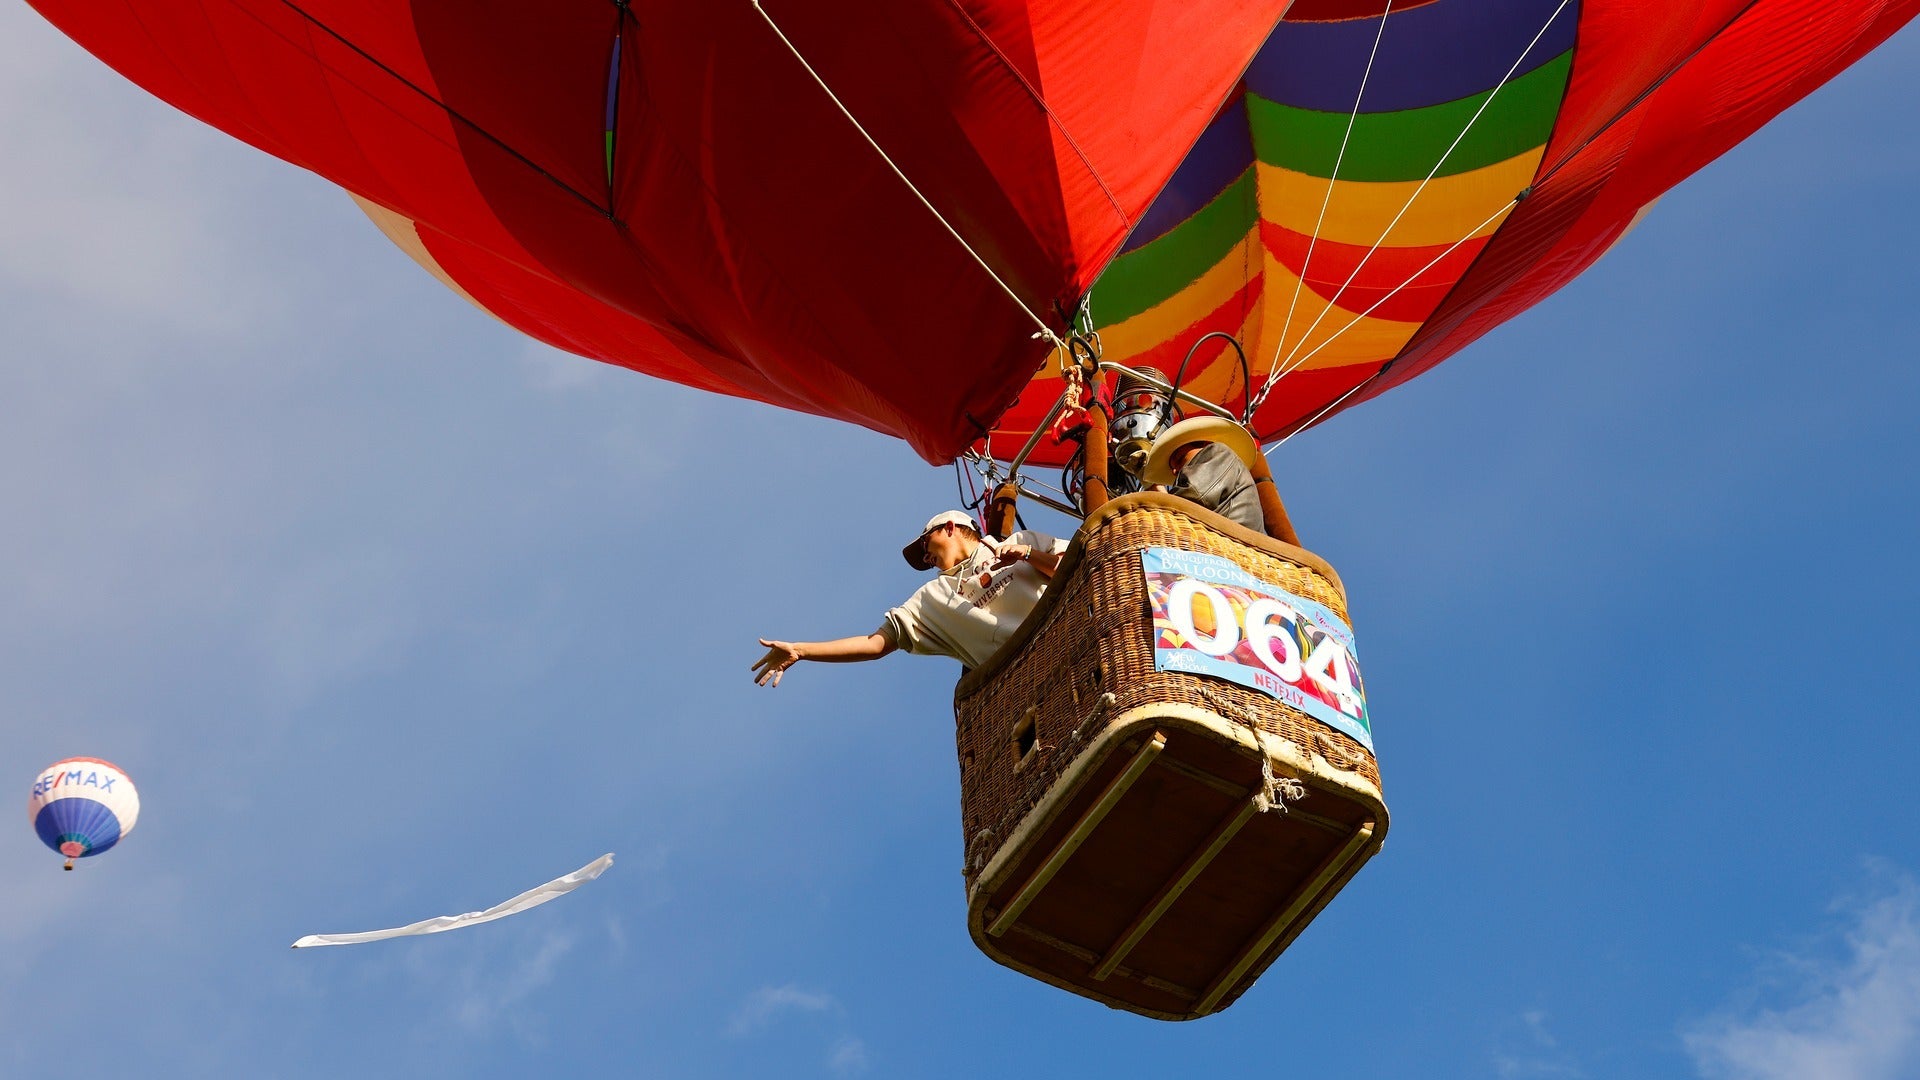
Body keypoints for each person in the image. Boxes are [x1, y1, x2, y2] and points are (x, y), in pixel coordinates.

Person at [752, 511, 1068, 686]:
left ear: (950, 528)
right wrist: (802, 650)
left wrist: (1029, 555)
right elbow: (875, 644)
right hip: (1027, 679)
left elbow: (1084, 565)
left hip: (1069, 631)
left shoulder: (1022, 542)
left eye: (925, 542)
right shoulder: (932, 598)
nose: (925, 556)